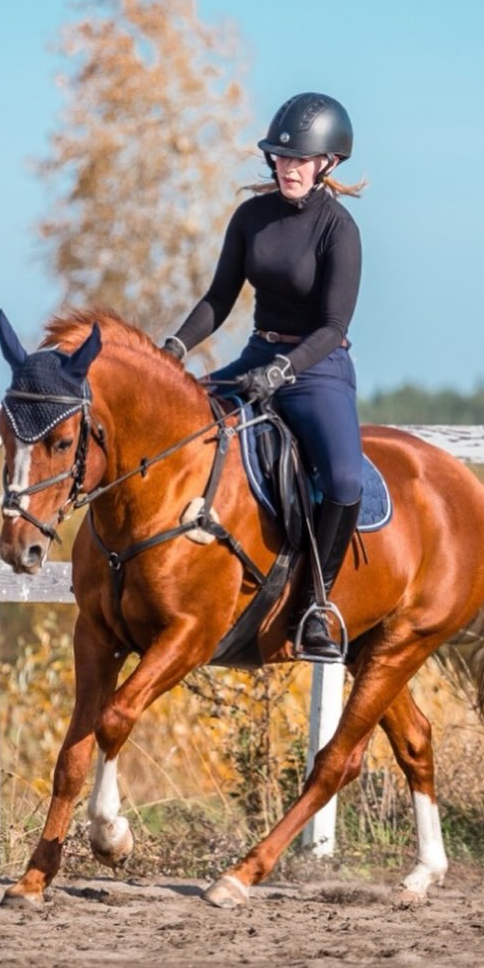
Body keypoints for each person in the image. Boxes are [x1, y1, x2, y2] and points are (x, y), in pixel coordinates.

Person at [163, 92, 364, 662]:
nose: (287, 168)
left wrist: (284, 369)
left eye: (299, 160)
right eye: (280, 158)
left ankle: (317, 606)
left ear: (328, 163)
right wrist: (174, 348)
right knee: (181, 422)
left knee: (345, 481)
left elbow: (332, 325)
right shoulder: (251, 217)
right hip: (257, 357)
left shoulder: (338, 229)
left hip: (317, 368)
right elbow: (218, 298)